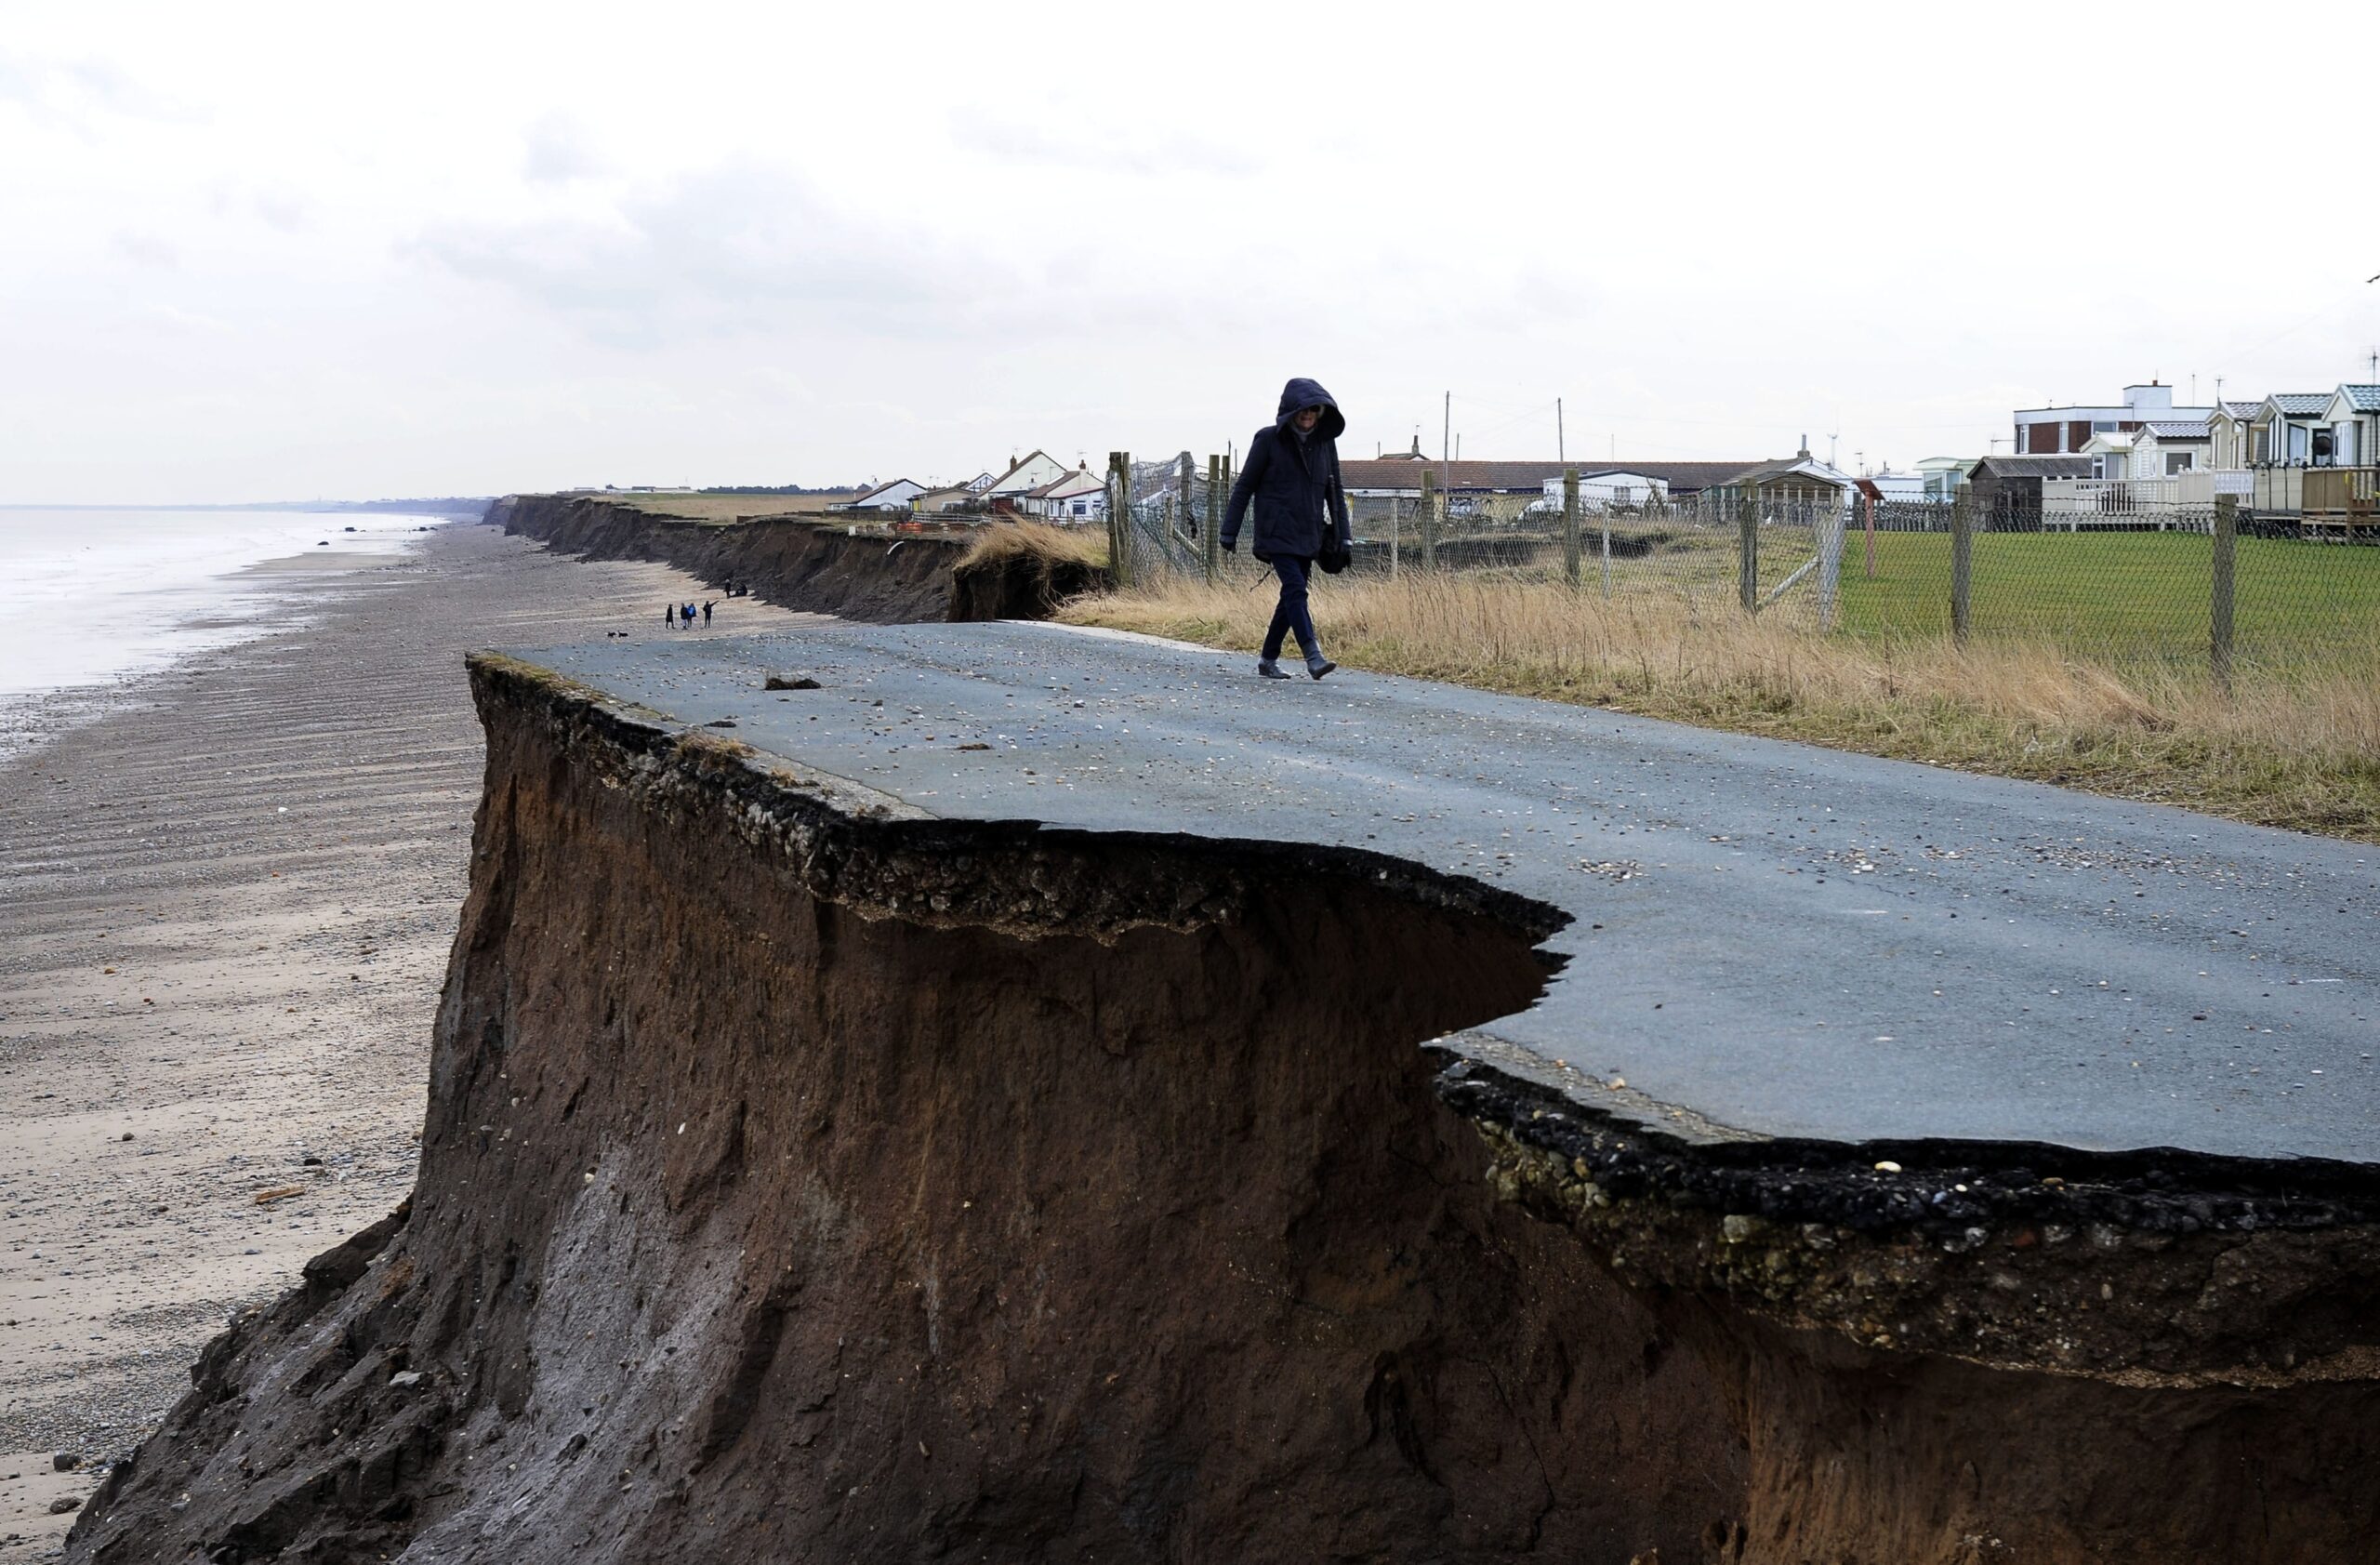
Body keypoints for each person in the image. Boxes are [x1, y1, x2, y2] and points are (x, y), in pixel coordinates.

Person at [1221, 377, 1348, 680]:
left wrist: (1345, 536)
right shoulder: (1268, 440)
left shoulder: (1325, 445)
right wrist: (1229, 531)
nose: (1307, 416)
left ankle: (1268, 659)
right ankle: (1312, 655)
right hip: (1276, 531)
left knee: (1291, 596)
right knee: (1295, 591)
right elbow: (1245, 486)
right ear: (1291, 411)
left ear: (1320, 413)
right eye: (1302, 411)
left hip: (1309, 533)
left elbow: (1335, 491)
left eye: (1313, 411)